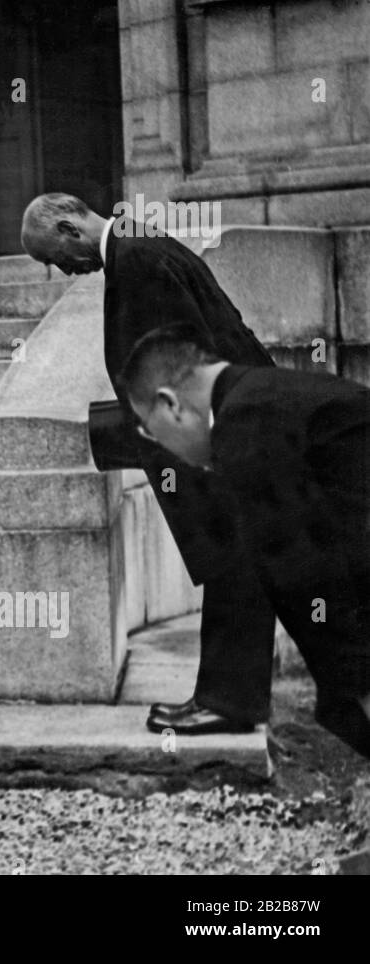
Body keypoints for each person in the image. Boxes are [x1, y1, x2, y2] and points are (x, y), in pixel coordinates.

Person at [20, 192, 277, 736]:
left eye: (53, 255)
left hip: (219, 434)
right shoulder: (142, 248)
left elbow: (183, 364)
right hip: (230, 424)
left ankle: (228, 702)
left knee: (236, 564)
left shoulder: (138, 262)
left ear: (69, 228)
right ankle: (233, 698)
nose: (59, 269)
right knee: (242, 563)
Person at [120, 325, 370, 758]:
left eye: (149, 430)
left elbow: (305, 578)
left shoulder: (244, 428)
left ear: (170, 404)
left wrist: (355, 694)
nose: (160, 447)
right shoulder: (262, 393)